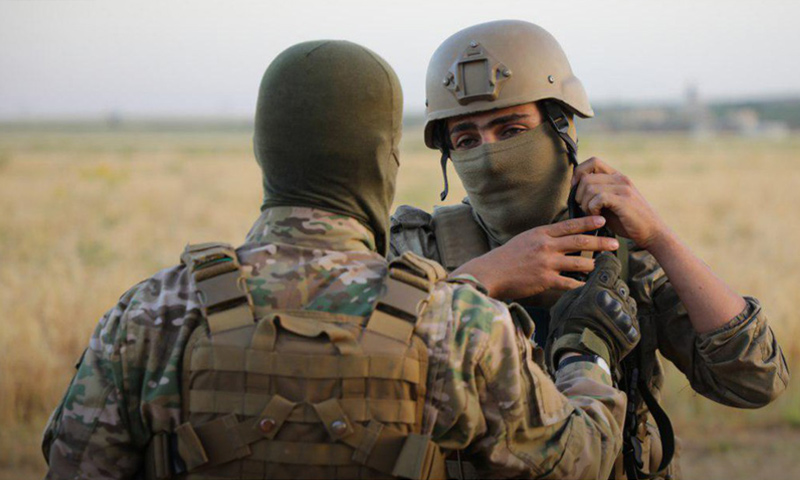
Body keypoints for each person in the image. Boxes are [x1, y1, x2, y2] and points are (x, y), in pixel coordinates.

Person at [43, 40, 639, 480]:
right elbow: (578, 461)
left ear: (265, 154)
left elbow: (74, 467)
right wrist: (586, 354)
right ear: (385, 161)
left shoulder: (151, 313)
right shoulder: (456, 323)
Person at [390, 20, 790, 479]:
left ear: (562, 127)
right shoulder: (417, 252)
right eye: (466, 140)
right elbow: (366, 371)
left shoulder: (614, 251)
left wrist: (658, 236)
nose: (489, 154)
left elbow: (755, 378)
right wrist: (482, 279)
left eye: (511, 129)